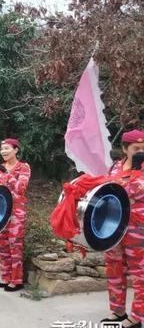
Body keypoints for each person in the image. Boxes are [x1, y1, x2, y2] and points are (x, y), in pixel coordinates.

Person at [101, 129, 144, 327]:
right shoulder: (115, 167)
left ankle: (137, 317)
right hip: (115, 227)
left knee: (139, 273)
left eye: (143, 148)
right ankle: (117, 311)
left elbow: (134, 192)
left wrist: (136, 170)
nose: (140, 152)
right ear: (125, 148)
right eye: (136, 148)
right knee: (115, 269)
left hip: (138, 228)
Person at [0, 138, 30, 292]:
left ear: (15, 150)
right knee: (2, 244)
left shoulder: (23, 167)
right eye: (2, 149)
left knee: (15, 245)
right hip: (2, 212)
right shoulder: (0, 168)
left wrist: (7, 174)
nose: (4, 151)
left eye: (7, 148)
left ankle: (17, 280)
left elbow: (21, 188)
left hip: (16, 212)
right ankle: (6, 277)